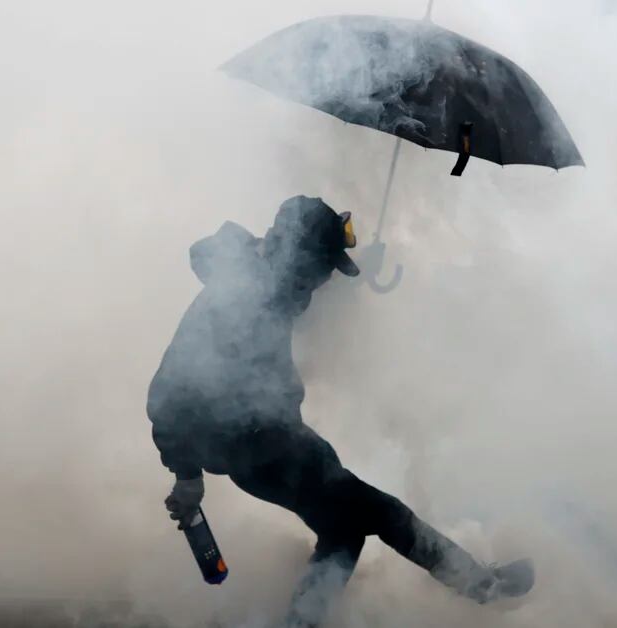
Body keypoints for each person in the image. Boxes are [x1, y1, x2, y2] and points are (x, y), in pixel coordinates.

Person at [146, 195, 533, 626]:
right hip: (258, 450)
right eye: (325, 266)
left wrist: (364, 267)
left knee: (344, 530)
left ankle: (305, 622)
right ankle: (479, 585)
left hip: (278, 441)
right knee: (379, 513)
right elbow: (167, 392)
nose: (326, 278)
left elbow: (301, 303)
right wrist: (186, 476)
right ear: (300, 255)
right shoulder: (237, 298)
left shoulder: (269, 280)